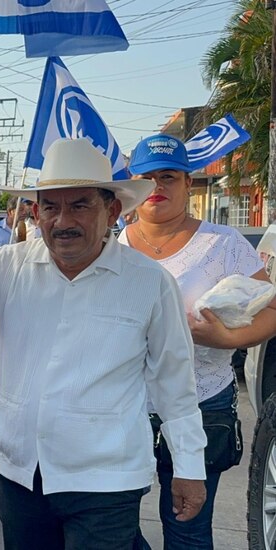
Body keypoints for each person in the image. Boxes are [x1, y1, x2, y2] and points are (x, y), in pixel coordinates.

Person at [0, 139, 207, 549]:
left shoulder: (149, 282)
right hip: (19, 475)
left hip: (107, 481)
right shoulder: (6, 266)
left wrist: (189, 466)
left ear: (112, 210)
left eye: (79, 205)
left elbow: (174, 382)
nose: (63, 221)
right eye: (51, 208)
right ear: (36, 213)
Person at [122, 134, 276, 549]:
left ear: (188, 183)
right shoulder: (108, 246)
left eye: (168, 177)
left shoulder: (222, 244)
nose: (157, 187)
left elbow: (271, 311)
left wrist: (228, 337)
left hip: (200, 402)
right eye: (147, 177)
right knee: (112, 522)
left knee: (187, 527)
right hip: (121, 405)